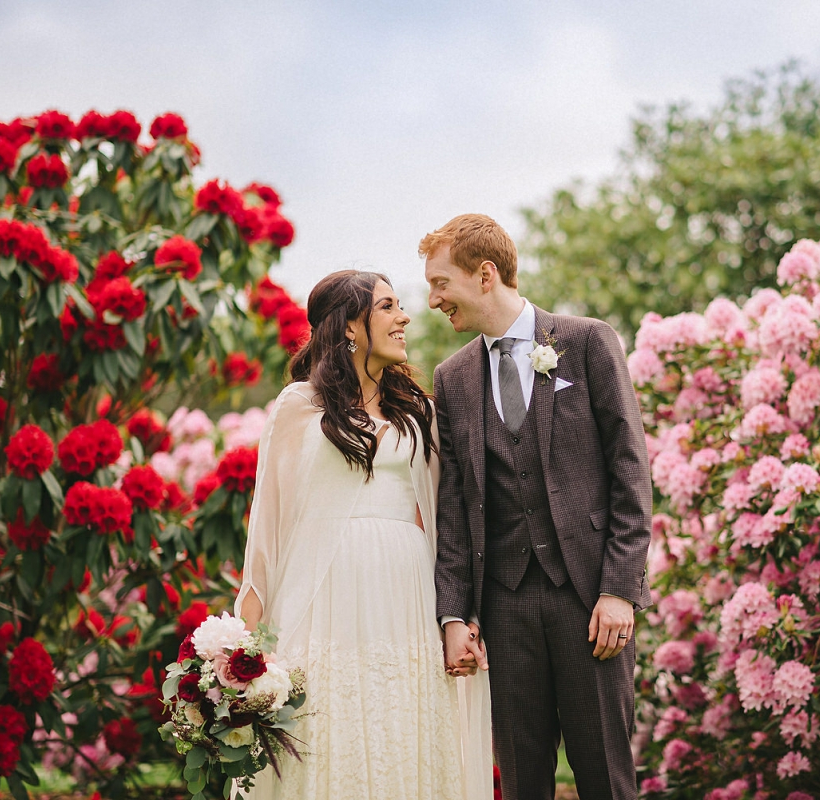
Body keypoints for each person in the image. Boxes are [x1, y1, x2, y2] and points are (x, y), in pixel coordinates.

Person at [234, 269, 492, 800]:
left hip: (406, 595)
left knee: (403, 727)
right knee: (327, 735)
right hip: (324, 595)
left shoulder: (420, 411)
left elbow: (447, 523)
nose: (404, 318)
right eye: (388, 307)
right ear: (351, 325)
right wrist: (241, 653)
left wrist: (459, 614)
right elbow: (267, 532)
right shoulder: (298, 406)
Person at [420, 215, 653, 800]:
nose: (432, 300)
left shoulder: (587, 341)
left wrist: (620, 589)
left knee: (605, 774)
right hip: (503, 607)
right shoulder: (452, 378)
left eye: (441, 282)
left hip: (591, 602)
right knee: (523, 782)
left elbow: (631, 469)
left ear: (485, 274)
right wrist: (455, 616)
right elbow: (454, 508)